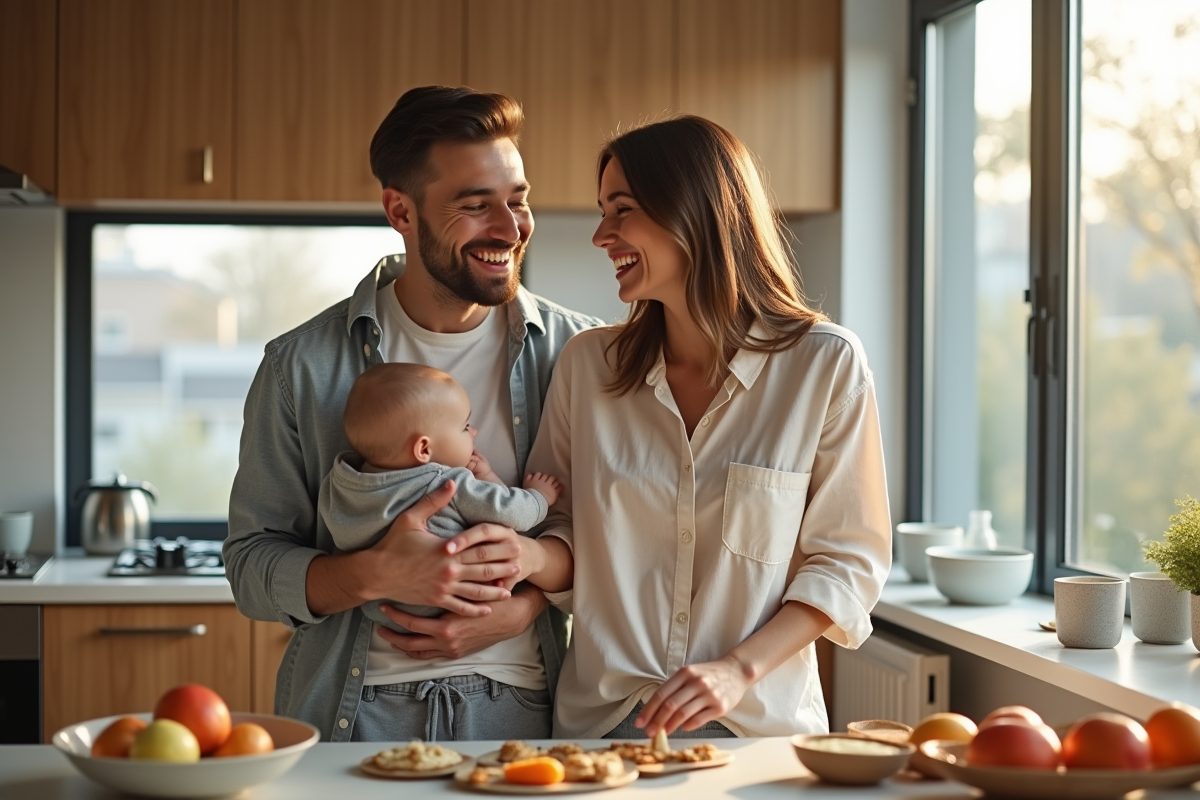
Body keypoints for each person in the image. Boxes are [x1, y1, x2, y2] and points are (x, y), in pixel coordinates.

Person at [224, 86, 599, 743]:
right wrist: (376, 573)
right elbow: (252, 569)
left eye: (517, 199)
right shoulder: (300, 367)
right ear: (401, 210)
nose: (511, 229)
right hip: (354, 715)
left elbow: (623, 543)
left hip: (528, 711)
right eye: (476, 204)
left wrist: (525, 604)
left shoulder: (582, 354)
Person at [527, 116, 892, 739]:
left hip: (759, 729)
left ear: (693, 211)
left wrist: (734, 671)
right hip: (604, 729)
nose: (600, 235)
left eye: (622, 210)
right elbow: (558, 528)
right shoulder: (588, 367)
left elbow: (847, 561)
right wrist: (513, 556)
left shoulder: (825, 365)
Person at [320, 362, 563, 634]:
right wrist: (539, 496)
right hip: (462, 604)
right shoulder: (446, 484)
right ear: (423, 448)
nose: (474, 433)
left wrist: (486, 475)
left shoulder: (340, 485)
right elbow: (513, 514)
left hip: (385, 613)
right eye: (465, 426)